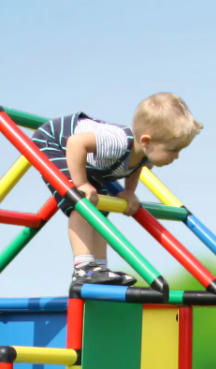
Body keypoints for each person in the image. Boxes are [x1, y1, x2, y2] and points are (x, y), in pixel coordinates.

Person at [31, 93, 202, 287]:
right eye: (173, 150)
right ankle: (83, 268)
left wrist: (129, 191)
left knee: (100, 210)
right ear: (146, 141)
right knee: (81, 203)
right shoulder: (117, 143)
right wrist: (81, 184)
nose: (177, 156)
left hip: (84, 158)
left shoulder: (145, 155)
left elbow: (135, 169)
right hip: (55, 141)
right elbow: (75, 143)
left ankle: (100, 268)